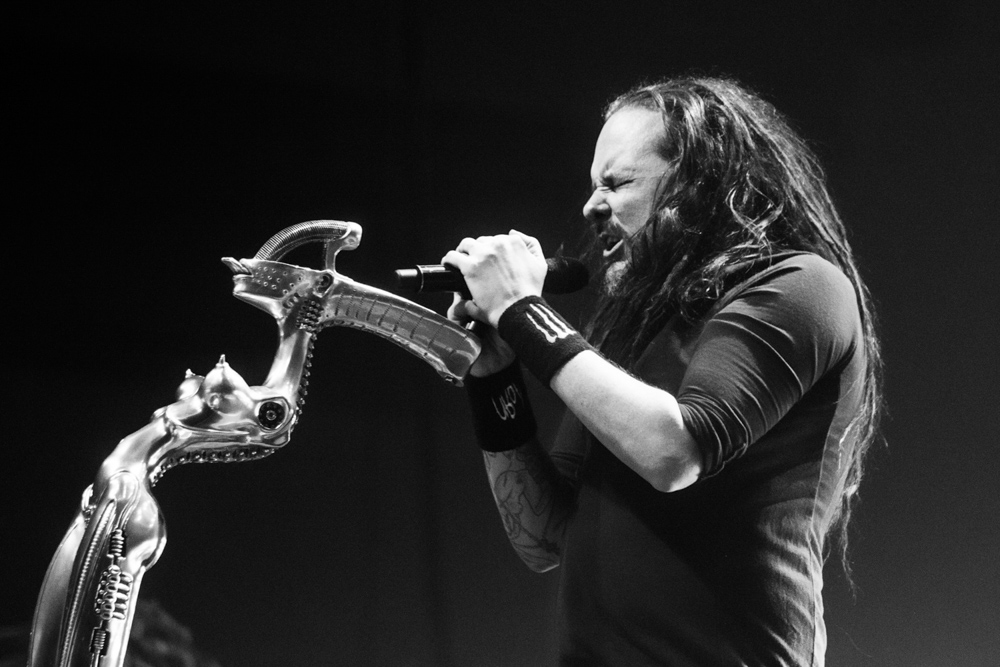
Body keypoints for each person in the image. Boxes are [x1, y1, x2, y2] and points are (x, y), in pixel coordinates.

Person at [442, 76, 883, 666]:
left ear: (702, 182)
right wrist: (496, 376)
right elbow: (543, 538)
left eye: (616, 183)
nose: (591, 207)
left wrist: (523, 311)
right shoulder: (628, 338)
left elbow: (673, 454)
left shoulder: (801, 287)